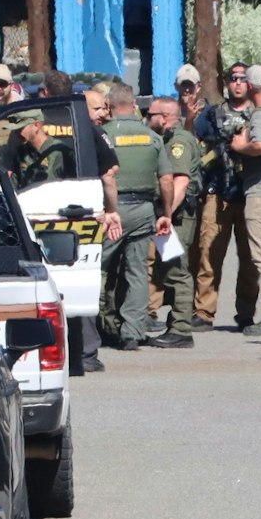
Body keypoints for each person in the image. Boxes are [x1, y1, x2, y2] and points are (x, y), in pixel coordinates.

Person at [190, 64, 261, 335]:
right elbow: (192, 137)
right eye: (233, 78)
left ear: (250, 84)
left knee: (250, 259)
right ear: (226, 82)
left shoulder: (260, 115)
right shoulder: (212, 114)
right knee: (209, 255)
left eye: (243, 79)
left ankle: (246, 314)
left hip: (250, 194)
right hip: (217, 192)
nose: (238, 83)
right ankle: (203, 312)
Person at [98, 84, 173, 351]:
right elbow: (166, 179)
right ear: (133, 105)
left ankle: (94, 329)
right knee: (138, 271)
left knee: (99, 267)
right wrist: (166, 213)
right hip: (143, 209)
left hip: (111, 210)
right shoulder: (152, 137)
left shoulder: (103, 135)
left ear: (109, 106)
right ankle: (132, 331)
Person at [143, 94, 200, 349]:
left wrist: (166, 214)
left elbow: (180, 182)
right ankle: (175, 324)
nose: (146, 119)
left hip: (177, 217)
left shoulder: (179, 142)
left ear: (164, 117)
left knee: (177, 270)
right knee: (167, 270)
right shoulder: (167, 139)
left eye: (150, 115)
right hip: (170, 215)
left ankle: (181, 330)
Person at [0, 109, 76, 191]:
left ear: (36, 125)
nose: (17, 133)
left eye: (21, 128)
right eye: (15, 129)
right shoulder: (21, 153)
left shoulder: (60, 152)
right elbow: (14, 185)